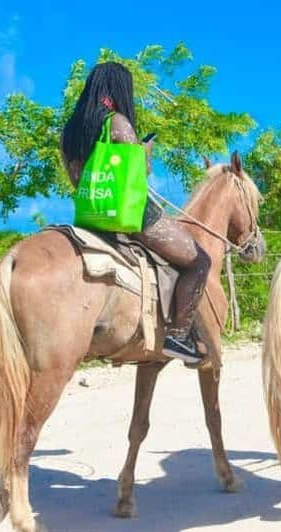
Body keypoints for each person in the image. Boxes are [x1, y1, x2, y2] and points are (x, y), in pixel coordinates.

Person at [60, 62, 210, 365]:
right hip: (128, 213)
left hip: (89, 214)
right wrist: (145, 155)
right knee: (199, 261)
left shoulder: (69, 131)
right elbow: (138, 176)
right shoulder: (118, 123)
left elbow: (74, 177)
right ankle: (179, 336)